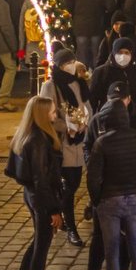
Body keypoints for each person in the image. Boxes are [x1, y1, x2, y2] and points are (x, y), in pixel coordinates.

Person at [87, 89, 136, 270]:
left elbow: (92, 178)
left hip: (109, 199)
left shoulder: (102, 143)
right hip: (132, 196)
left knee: (112, 250)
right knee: (135, 248)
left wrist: (96, 200)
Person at [4, 96, 64, 270]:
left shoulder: (27, 134)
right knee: (42, 245)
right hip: (41, 198)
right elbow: (41, 179)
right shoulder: (38, 140)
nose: (56, 114)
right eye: (53, 111)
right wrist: (53, 209)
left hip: (32, 195)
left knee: (40, 238)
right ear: (42, 115)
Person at [38, 48, 91, 249]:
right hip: (61, 144)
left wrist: (84, 123)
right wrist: (66, 127)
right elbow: (47, 115)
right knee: (67, 186)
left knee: (74, 182)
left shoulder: (78, 83)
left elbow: (87, 106)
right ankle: (69, 226)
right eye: (67, 62)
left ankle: (59, 214)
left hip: (78, 141)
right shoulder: (50, 86)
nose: (71, 65)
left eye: (73, 61)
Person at [65, 0, 116, 68]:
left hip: (80, 25)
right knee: (97, 54)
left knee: (82, 55)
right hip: (97, 24)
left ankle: (83, 79)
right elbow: (111, 5)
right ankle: (96, 79)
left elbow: (68, 5)